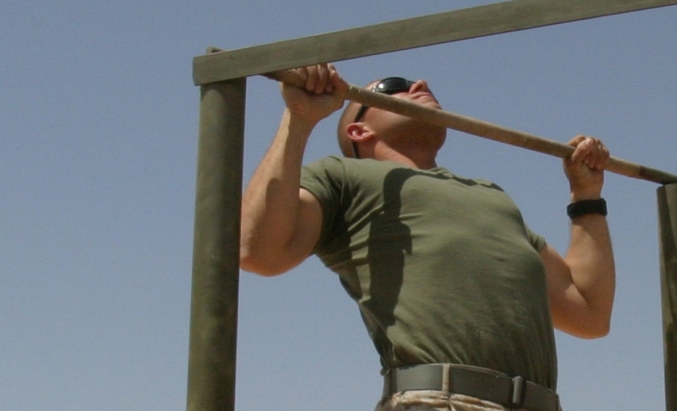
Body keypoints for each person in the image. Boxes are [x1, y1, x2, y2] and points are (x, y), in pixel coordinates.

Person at [240, 63, 616, 411]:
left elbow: (588, 313)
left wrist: (586, 196)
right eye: (396, 87)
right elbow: (257, 251)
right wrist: (300, 119)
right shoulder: (343, 176)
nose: (420, 85)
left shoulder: (491, 197)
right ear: (358, 129)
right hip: (442, 401)